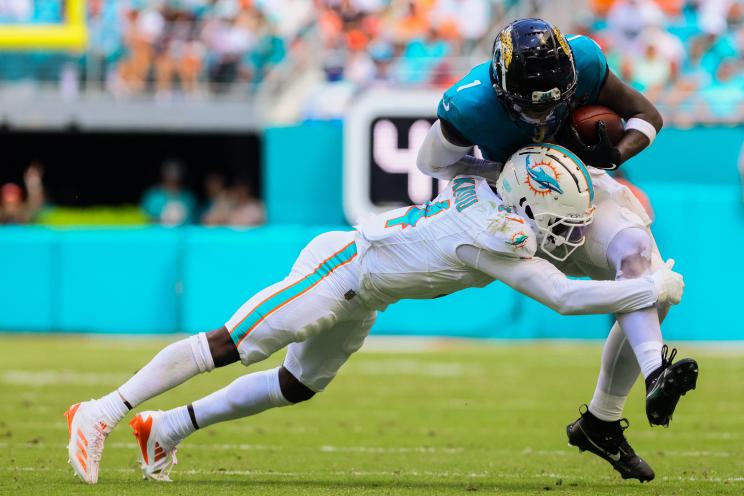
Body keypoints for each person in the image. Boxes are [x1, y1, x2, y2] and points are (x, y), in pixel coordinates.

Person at [64, 145, 685, 484]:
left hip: (370, 295)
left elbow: (456, 157)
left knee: (294, 385)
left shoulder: (498, 188)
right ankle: (99, 413)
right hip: (339, 269)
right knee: (231, 344)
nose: (564, 235)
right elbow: (566, 297)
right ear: (524, 203)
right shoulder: (490, 232)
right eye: (556, 222)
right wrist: (651, 285)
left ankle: (163, 429)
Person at [415, 18, 698, 482]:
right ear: (501, 88)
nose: (545, 117)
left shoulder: (585, 59)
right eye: (531, 106)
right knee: (633, 287)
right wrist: (510, 173)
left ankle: (635, 391)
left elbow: (648, 116)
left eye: (556, 103)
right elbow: (433, 165)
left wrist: (615, 155)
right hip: (513, 207)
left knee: (637, 257)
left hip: (576, 186)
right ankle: (627, 396)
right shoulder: (469, 103)